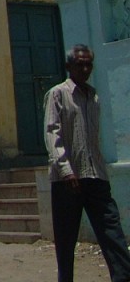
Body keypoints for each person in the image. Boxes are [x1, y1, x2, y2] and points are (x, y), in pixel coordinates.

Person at [44, 43, 130, 282]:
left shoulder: (94, 96)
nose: (85, 68)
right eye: (80, 64)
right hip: (67, 181)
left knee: (113, 236)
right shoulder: (58, 94)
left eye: (88, 64)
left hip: (96, 177)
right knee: (66, 242)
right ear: (69, 66)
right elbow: (53, 133)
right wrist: (65, 169)